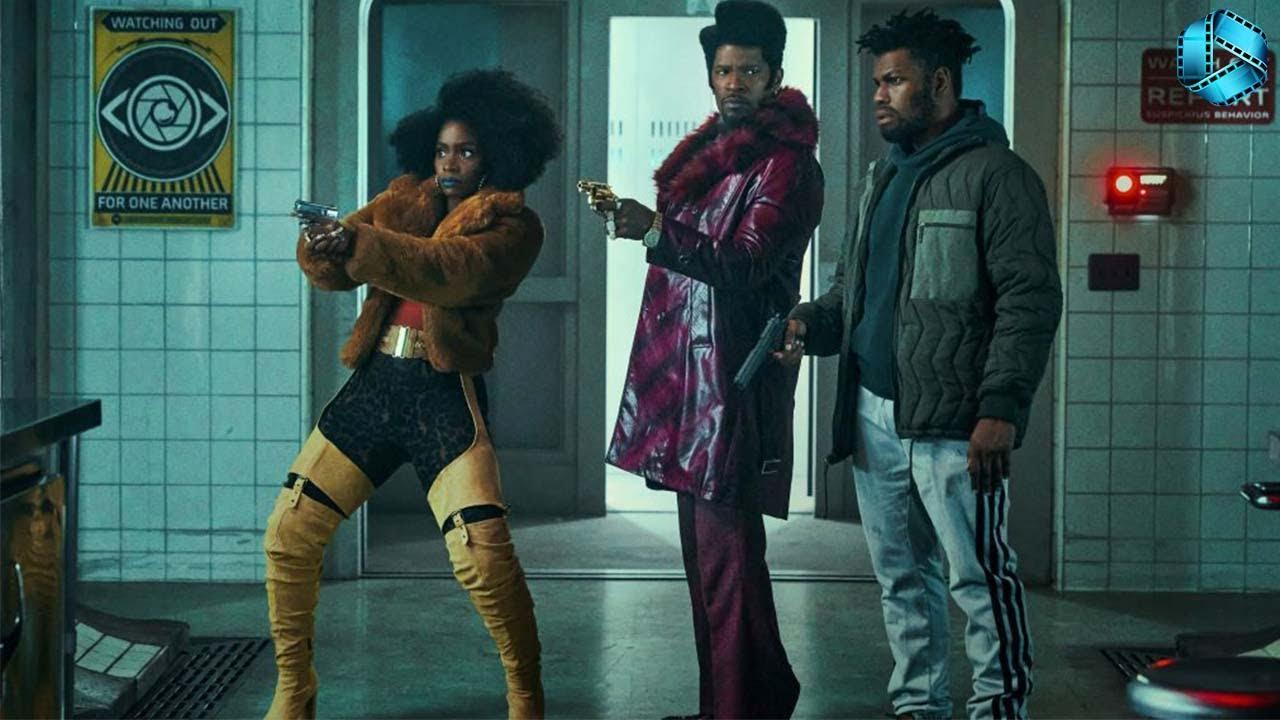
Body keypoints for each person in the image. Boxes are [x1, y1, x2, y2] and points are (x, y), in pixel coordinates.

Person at [778, 9, 1061, 720]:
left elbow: (1029, 301)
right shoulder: (883, 177)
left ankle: (1000, 708)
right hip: (873, 412)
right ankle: (918, 706)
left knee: (979, 579)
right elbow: (854, 290)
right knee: (902, 580)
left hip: (955, 423)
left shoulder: (999, 176)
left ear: (938, 83)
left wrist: (1000, 410)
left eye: (894, 81)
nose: (879, 95)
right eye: (878, 81)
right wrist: (811, 321)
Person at [262, 68, 561, 720]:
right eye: (443, 150)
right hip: (377, 386)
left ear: (496, 156)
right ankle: (294, 689)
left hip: (443, 394)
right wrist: (323, 245)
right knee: (289, 532)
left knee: (482, 557)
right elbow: (331, 268)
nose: (450, 164)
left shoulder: (514, 225)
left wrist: (361, 243)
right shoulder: (403, 200)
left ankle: (525, 696)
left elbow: (448, 273)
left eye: (467, 152)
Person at [600, 2, 823, 717]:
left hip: (733, 378)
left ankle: (741, 705)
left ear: (775, 77)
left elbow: (747, 264)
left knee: (728, 562)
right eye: (724, 70)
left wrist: (654, 230)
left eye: (749, 71)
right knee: (710, 564)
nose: (734, 83)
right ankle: (739, 700)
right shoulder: (712, 161)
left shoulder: (786, 165)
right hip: (688, 380)